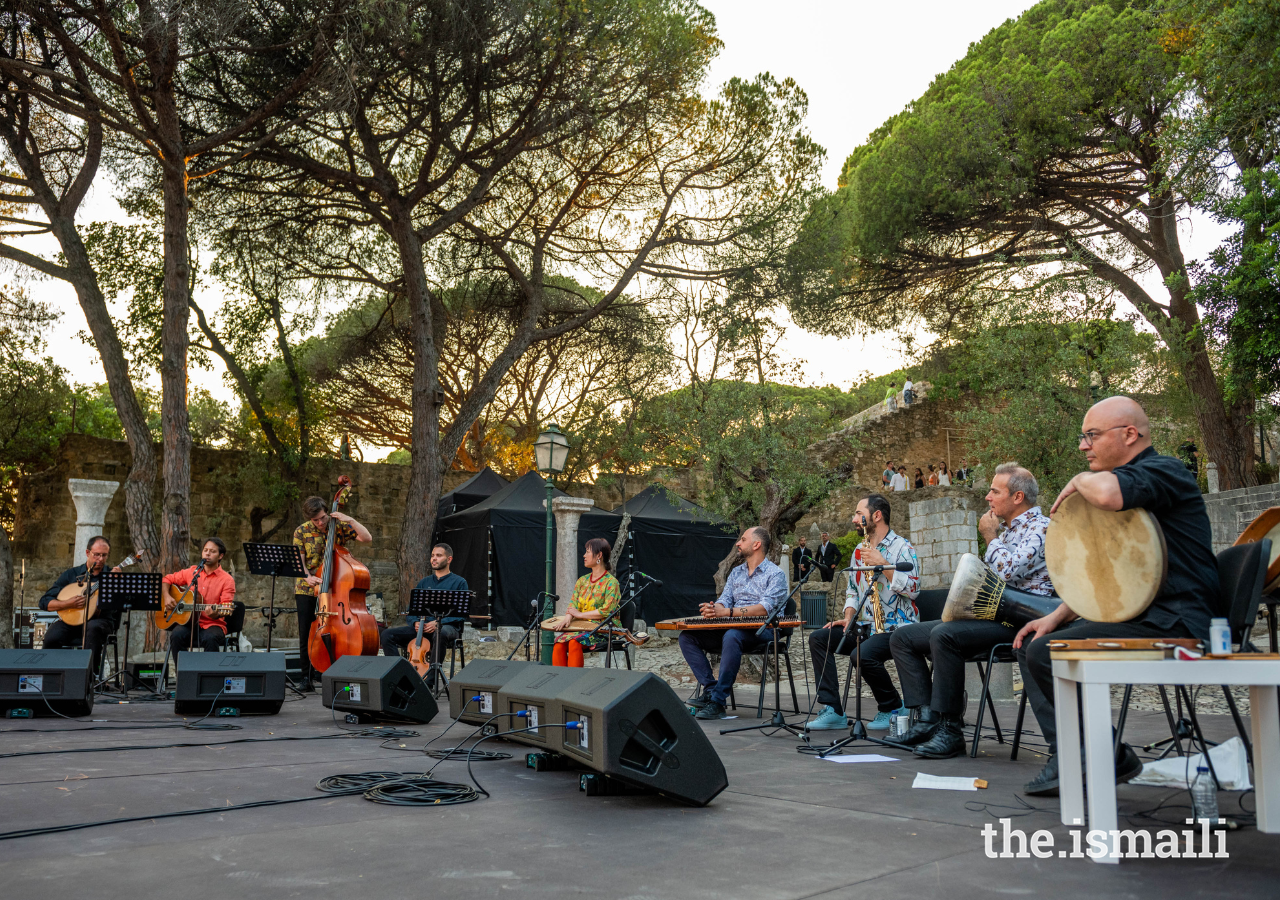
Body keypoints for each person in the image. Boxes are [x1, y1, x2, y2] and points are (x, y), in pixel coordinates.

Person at [1014, 396, 1219, 796]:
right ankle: (1084, 754)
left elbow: (1108, 494)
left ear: (1129, 434)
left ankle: (1096, 755)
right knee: (1034, 643)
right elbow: (1111, 574)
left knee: (1044, 653)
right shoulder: (1123, 487)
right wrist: (1057, 615)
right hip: (1141, 615)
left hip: (1177, 620)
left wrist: (1077, 480)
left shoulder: (1165, 470)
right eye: (1083, 436)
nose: (1082, 445)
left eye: (1091, 435)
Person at [890, 464, 1053, 758]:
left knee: (944, 635)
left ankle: (950, 731)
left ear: (1018, 497)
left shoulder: (1042, 528)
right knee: (903, 638)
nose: (988, 497)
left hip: (1021, 621)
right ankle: (929, 720)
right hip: (994, 616)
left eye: (995, 491)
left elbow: (1007, 570)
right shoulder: (1007, 531)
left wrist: (990, 537)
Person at [806, 494, 919, 731]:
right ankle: (834, 710)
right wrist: (848, 617)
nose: (854, 519)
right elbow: (852, 590)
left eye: (859, 513)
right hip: (865, 626)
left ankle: (892, 706)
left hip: (897, 629)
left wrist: (883, 564)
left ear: (876, 515)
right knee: (819, 638)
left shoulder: (902, 547)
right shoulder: (858, 550)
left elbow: (914, 589)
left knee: (861, 654)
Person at [681, 526, 788, 721]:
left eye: (743, 539)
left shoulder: (776, 575)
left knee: (732, 635)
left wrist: (727, 612)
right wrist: (715, 609)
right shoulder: (736, 572)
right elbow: (725, 599)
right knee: (688, 636)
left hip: (764, 631)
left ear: (756, 544)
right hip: (733, 628)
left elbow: (764, 609)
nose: (738, 543)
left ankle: (719, 702)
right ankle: (712, 690)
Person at [293, 495, 373, 690]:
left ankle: (326, 671)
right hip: (308, 588)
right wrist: (307, 577)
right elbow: (299, 561)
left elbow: (366, 538)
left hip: (335, 589)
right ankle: (306, 677)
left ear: (327, 512)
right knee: (307, 632)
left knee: (333, 628)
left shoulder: (338, 526)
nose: (320, 523)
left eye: (322, 517)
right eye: (316, 520)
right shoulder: (301, 531)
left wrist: (350, 519)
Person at [380, 542, 469, 683]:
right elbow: (412, 611)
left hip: (448, 628)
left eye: (438, 556)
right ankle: (399, 674)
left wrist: (438, 623)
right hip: (422, 627)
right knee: (387, 635)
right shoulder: (424, 582)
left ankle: (430, 679)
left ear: (449, 559)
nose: (434, 558)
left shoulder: (459, 582)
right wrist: (414, 622)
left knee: (442, 631)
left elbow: (461, 614)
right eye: (432, 555)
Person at [39, 535, 122, 675]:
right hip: (72, 621)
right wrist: (67, 603)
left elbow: (121, 604)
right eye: (96, 555)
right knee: (52, 637)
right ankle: (51, 676)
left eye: (104, 555)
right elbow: (44, 601)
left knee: (92, 627)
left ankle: (89, 677)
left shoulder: (111, 575)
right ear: (87, 553)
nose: (100, 559)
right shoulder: (72, 574)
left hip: (100, 622)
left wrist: (117, 584)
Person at [551, 538, 622, 667]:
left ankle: (575, 684)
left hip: (603, 630)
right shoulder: (581, 581)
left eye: (587, 552)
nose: (584, 555)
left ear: (599, 555)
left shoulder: (611, 583)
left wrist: (580, 615)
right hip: (582, 628)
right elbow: (573, 604)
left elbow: (606, 611)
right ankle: (559, 684)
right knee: (559, 644)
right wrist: (567, 618)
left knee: (574, 642)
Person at [162, 538, 236, 654]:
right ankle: (181, 672)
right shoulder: (192, 572)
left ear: (220, 556)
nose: (207, 553)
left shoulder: (227, 580)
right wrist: (167, 596)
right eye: (205, 550)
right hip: (189, 623)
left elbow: (225, 605)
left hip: (213, 624)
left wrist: (216, 613)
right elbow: (166, 579)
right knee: (176, 635)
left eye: (212, 551)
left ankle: (208, 672)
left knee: (210, 638)